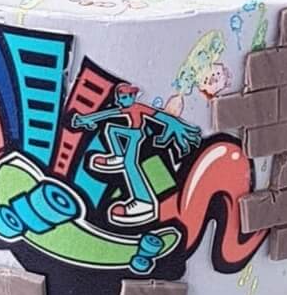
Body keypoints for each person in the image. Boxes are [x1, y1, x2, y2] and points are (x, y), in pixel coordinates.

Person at [71, 83, 202, 227]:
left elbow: (161, 116)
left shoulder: (138, 107)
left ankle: (144, 202)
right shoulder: (127, 108)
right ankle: (118, 157)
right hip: (131, 133)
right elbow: (108, 114)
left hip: (135, 135)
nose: (119, 101)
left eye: (123, 98)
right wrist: (86, 119)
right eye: (119, 98)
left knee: (130, 164)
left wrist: (175, 126)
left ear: (132, 96)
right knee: (111, 130)